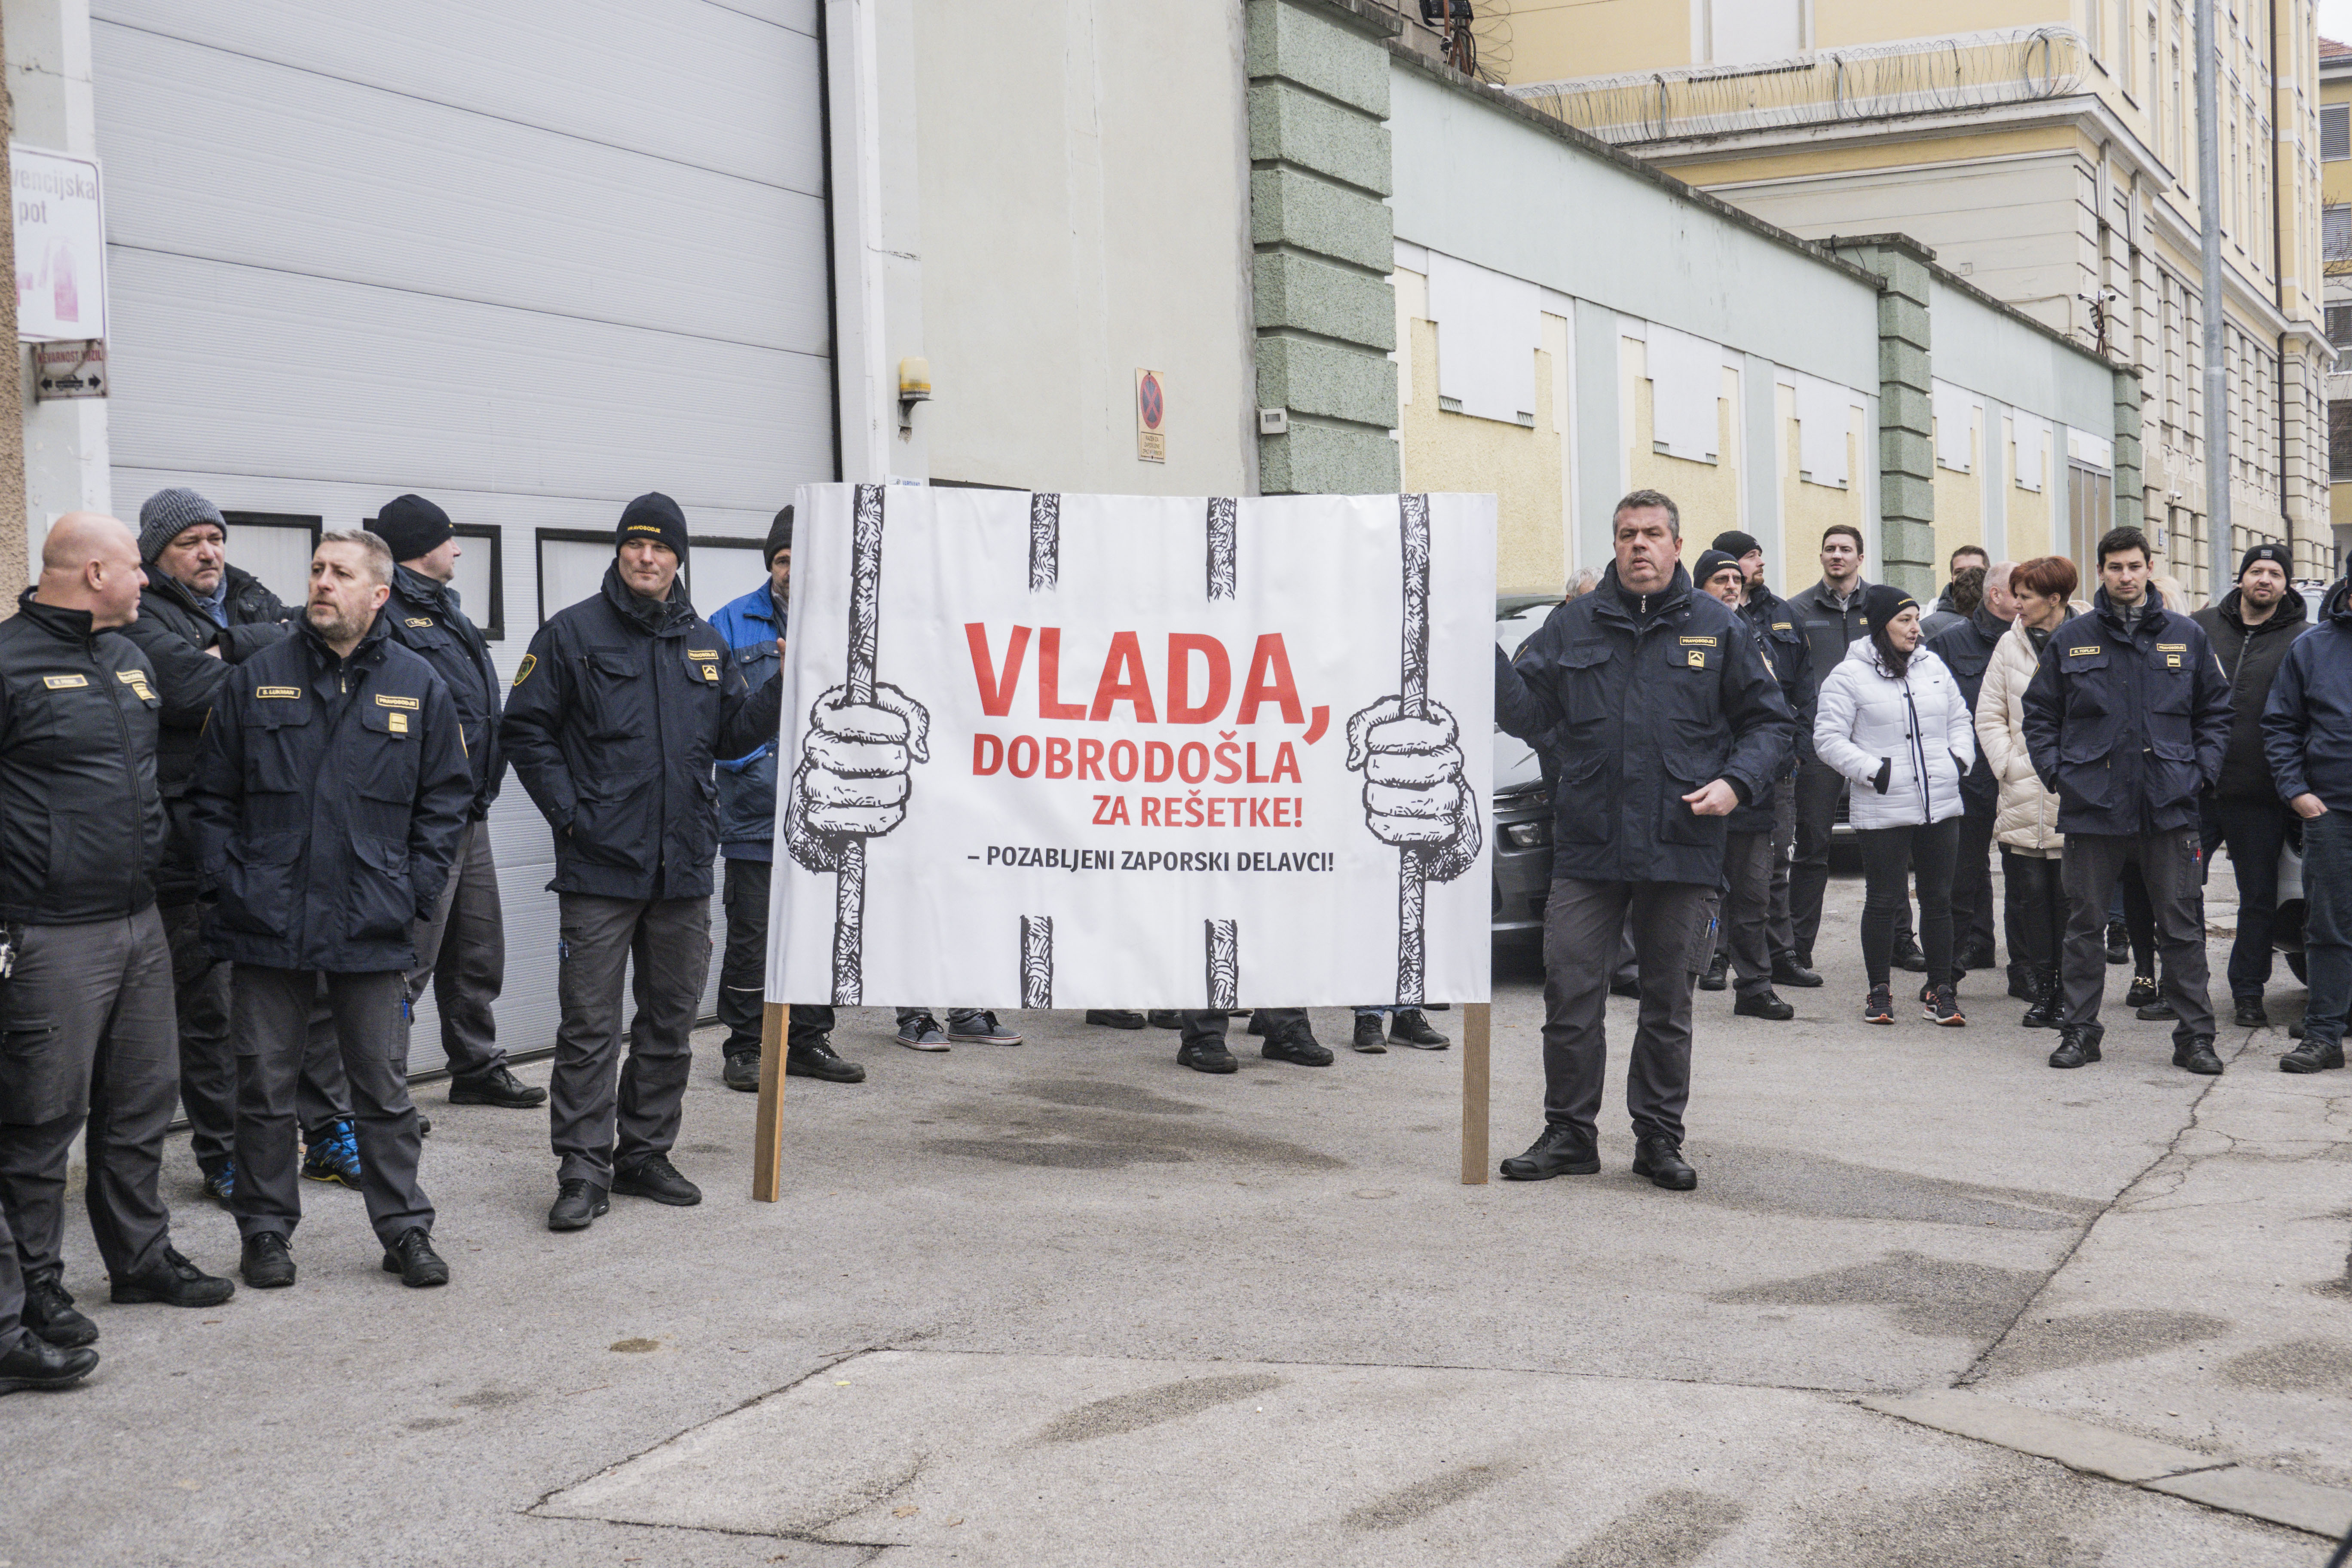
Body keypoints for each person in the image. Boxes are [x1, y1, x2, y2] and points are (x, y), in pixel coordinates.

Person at [1493, 490, 1796, 1191]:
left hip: (1681, 843)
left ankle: (1658, 1137)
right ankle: (1569, 1131)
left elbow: (1770, 724)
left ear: (1676, 544)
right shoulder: (1572, 624)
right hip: (1588, 844)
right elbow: (1529, 713)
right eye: (1626, 533)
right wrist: (1479, 657)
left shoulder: (1716, 627)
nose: (1638, 545)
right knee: (1570, 992)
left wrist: (1735, 782)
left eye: (1652, 533)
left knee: (1667, 1000)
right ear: (1615, 542)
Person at [191, 530, 470, 1290]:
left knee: (380, 1088)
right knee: (264, 1087)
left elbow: (446, 799)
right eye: (316, 569)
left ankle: (404, 1229)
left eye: (340, 573)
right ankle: (266, 1231)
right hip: (267, 920)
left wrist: (413, 888)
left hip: (372, 920)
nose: (321, 583)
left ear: (378, 593)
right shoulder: (257, 678)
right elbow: (211, 794)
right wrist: (230, 881)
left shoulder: (417, 683)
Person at [0, 514, 240, 1394]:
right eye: (137, 567)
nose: (147, 582)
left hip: (143, 918)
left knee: (141, 1102)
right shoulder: (10, 662)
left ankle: (140, 1259)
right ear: (95, 572)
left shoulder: (133, 661)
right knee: (39, 1121)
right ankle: (37, 1291)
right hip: (49, 930)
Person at [503, 493, 784, 1233]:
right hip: (600, 870)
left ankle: (644, 1152)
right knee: (590, 1026)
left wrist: (789, 684)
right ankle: (582, 1168)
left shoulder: (702, 641)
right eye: (635, 545)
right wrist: (570, 815)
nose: (647, 557)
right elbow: (525, 730)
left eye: (661, 548)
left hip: (684, 868)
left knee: (669, 1021)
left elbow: (731, 735)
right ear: (620, 551)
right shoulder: (572, 635)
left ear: (678, 557)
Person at [118, 486, 352, 1206]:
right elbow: (190, 690)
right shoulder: (141, 613)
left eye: (214, 538)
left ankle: (330, 1136)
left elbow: (317, 662)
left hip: (277, 841)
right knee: (214, 1011)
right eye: (190, 542)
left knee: (310, 992)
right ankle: (225, 1153)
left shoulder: (248, 594)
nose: (209, 552)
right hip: (192, 847)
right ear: (157, 554)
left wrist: (235, 646)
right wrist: (262, 659)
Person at [2023, 527, 2233, 1075]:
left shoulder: (2187, 637)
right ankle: (2080, 1032)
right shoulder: (2074, 639)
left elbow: (2216, 713)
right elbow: (2040, 714)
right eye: (2115, 567)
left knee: (2182, 927)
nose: (2126, 576)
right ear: (2101, 573)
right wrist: (2059, 775)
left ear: (2148, 569)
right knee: (2085, 926)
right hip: (2094, 806)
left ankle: (2195, 1039)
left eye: (2135, 566)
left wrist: (2201, 774)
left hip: (2170, 804)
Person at [370, 494, 543, 1109]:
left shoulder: (446, 610)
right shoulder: (388, 614)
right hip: (425, 820)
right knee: (409, 961)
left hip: (472, 811)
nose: (459, 548)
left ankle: (474, 1066)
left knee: (476, 950)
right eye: (449, 538)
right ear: (423, 546)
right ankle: (379, 1094)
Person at [708, 507, 864, 1090]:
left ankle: (808, 1040)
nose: (793, 571)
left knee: (820, 927)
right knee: (753, 933)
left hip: (828, 809)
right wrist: (753, 769)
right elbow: (713, 722)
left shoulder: (850, 624)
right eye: (782, 560)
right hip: (755, 808)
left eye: (804, 558)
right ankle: (746, 1046)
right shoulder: (728, 624)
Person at [1813, 585, 1975, 1025]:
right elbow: (1827, 738)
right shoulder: (1849, 676)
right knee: (1883, 900)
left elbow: (1961, 719)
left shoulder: (1932, 666)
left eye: (1916, 619)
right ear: (1881, 623)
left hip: (1939, 803)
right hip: (1882, 807)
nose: (1915, 629)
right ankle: (1879, 991)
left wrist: (1957, 760)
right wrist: (1873, 771)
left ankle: (1942, 990)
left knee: (1938, 899)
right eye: (1905, 620)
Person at [1787, 524, 1921, 974]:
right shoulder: (1798, 611)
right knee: (1812, 847)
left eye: (1846, 549)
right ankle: (1797, 948)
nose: (1837, 556)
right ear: (1821, 556)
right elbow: (1789, 681)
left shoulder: (1884, 606)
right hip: (1821, 746)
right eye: (1830, 549)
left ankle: (1902, 941)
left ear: (1861, 558)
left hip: (1878, 744)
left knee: (1890, 846)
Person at [2191, 543, 2307, 1028]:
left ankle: (2247, 992)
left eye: (2275, 573)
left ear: (2287, 584)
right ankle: (2184, 988)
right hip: (2196, 790)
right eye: (2256, 571)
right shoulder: (2199, 628)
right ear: (2240, 579)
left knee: (2258, 899)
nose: (2264, 579)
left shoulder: (2304, 641)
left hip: (2260, 794)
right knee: (2179, 894)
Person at [1694, 548, 1810, 1019]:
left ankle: (1755, 984)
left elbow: (1783, 704)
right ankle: (1702, 966)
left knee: (1755, 890)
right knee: (1700, 890)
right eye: (1719, 579)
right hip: (1702, 782)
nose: (1730, 585)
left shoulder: (1759, 634)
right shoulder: (1689, 633)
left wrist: (1784, 755)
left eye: (1734, 578)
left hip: (1755, 782)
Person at [2260, 572, 2352, 1073]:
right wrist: (2297, 792)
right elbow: (2280, 724)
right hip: (2333, 811)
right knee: (2328, 927)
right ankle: (2324, 1036)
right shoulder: (2313, 648)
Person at [1978, 557, 2075, 1029]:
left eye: (2027, 596)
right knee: (2031, 902)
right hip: (2021, 795)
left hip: (2075, 795)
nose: (2017, 605)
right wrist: (2009, 766)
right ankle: (2045, 990)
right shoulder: (2008, 643)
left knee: (2071, 904)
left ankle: (2073, 997)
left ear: (2054, 599)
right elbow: (1989, 714)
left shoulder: (2087, 637)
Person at [1925, 563, 2012, 974]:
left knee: (2028, 872)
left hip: (2023, 772)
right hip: (1971, 772)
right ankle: (1954, 963)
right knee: (1964, 870)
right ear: (1996, 595)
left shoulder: (2034, 641)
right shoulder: (1949, 643)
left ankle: (2029, 969)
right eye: (2021, 591)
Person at [1920, 545, 1991, 637]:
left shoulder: (2007, 617)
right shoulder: (1930, 626)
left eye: (1975, 570)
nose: (1967, 575)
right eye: (1959, 572)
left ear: (1989, 574)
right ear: (1952, 578)